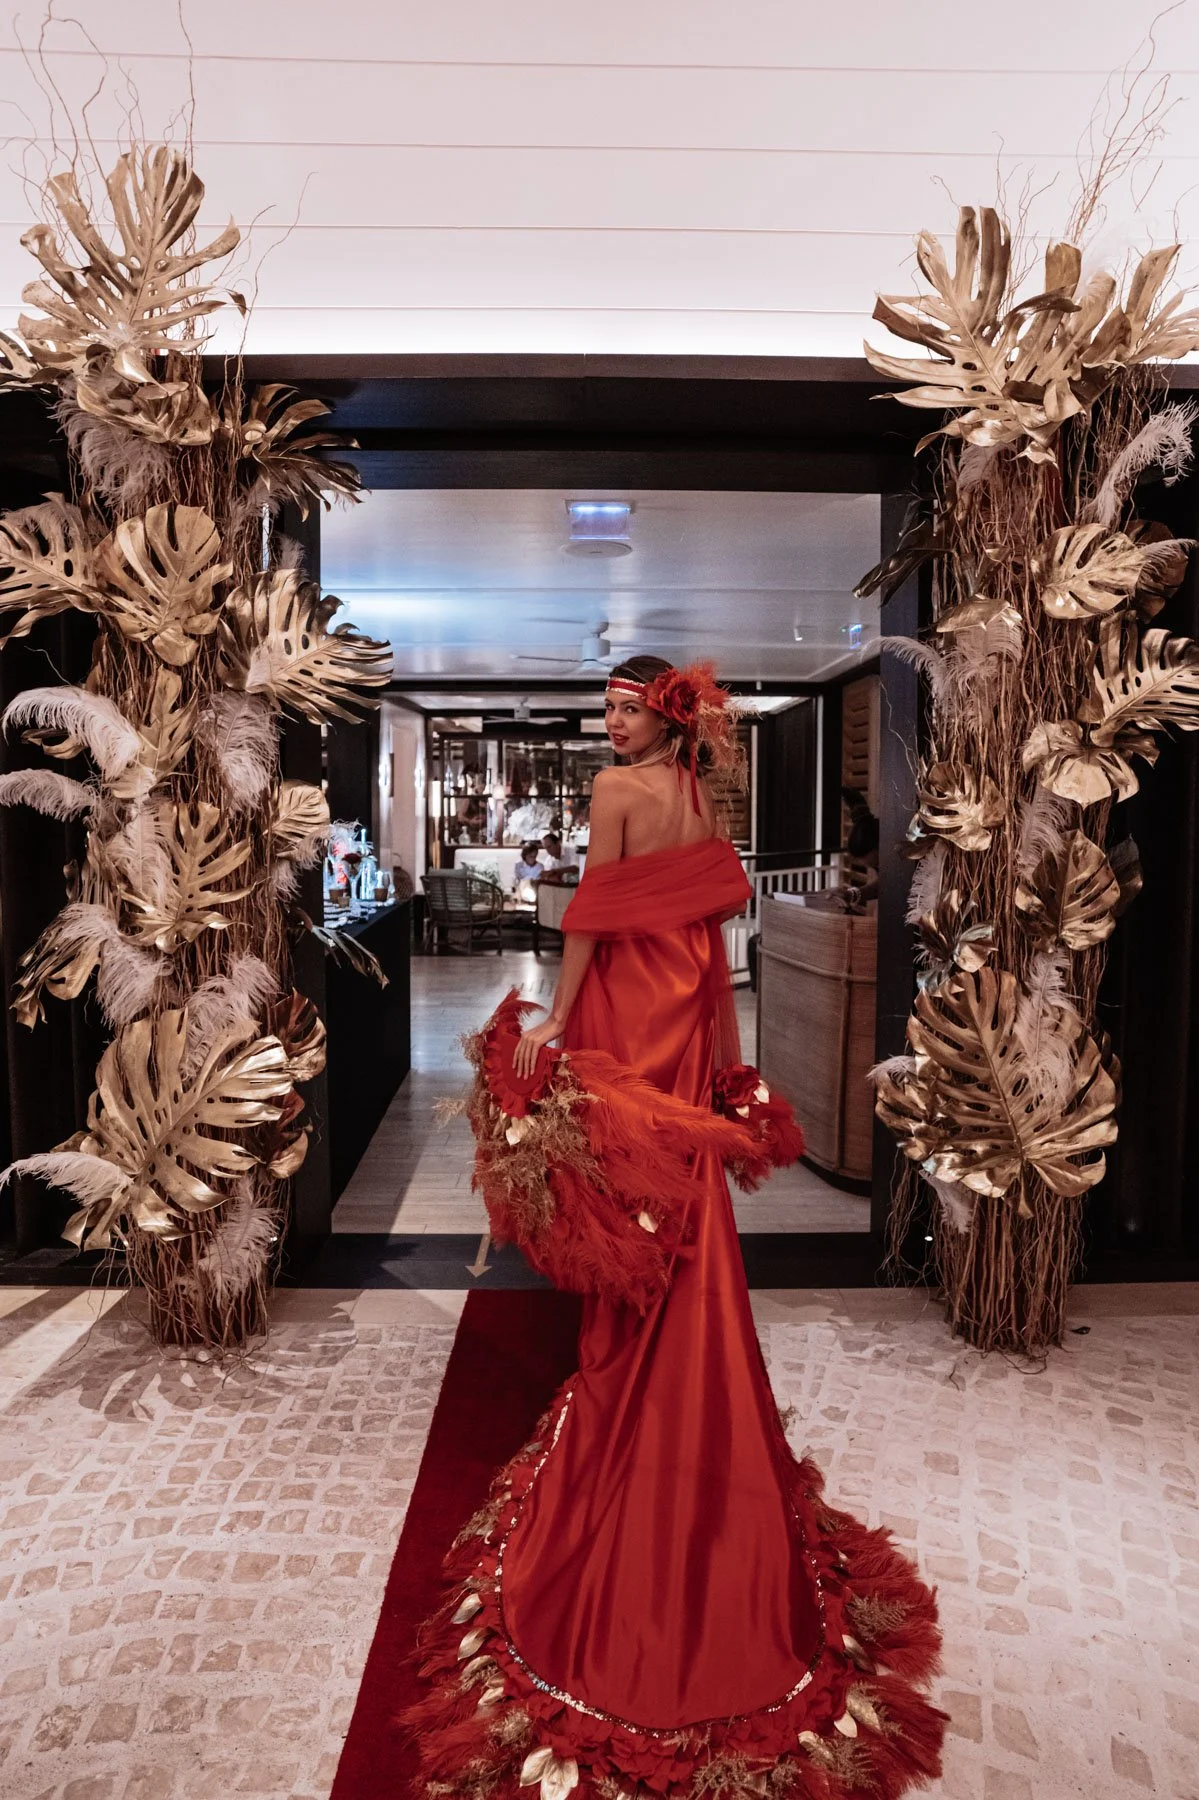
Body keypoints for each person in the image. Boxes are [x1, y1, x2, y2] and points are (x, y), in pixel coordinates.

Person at [405, 657, 945, 1799]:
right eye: (604, 709)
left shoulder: (615, 795)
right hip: (682, 1021)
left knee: (614, 1196)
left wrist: (554, 1012)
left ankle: (626, 1376)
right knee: (671, 1201)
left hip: (619, 1016)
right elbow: (710, 932)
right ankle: (665, 1365)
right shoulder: (697, 793)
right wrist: (723, 1055)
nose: (605, 724)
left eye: (618, 711)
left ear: (661, 718)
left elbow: (595, 917)